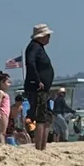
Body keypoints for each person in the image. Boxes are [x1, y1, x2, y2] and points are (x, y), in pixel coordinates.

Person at [24, 23, 54, 151]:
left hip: (44, 89)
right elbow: (30, 63)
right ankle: (39, 148)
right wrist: (37, 81)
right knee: (41, 118)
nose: (49, 38)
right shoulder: (34, 47)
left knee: (47, 117)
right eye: (47, 35)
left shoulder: (39, 47)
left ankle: (43, 146)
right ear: (40, 36)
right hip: (37, 89)